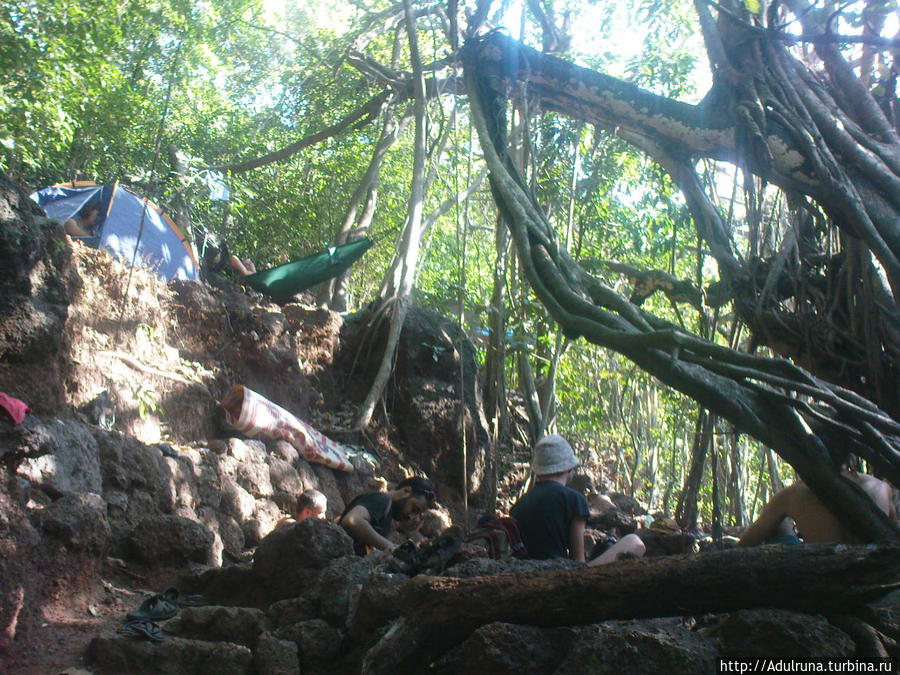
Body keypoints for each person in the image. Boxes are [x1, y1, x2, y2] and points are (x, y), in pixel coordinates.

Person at [511, 434, 645, 565]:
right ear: (569, 468)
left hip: (528, 571)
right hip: (559, 574)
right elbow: (578, 559)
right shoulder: (574, 499)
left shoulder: (519, 505)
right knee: (634, 542)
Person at [738, 469, 899, 547]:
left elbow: (745, 545)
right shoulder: (881, 488)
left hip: (821, 574)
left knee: (780, 526)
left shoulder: (794, 493)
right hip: (873, 573)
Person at [339, 476, 436, 555]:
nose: (411, 516)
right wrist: (391, 547)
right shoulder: (383, 500)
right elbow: (352, 521)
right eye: (414, 509)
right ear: (406, 491)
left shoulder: (386, 512)